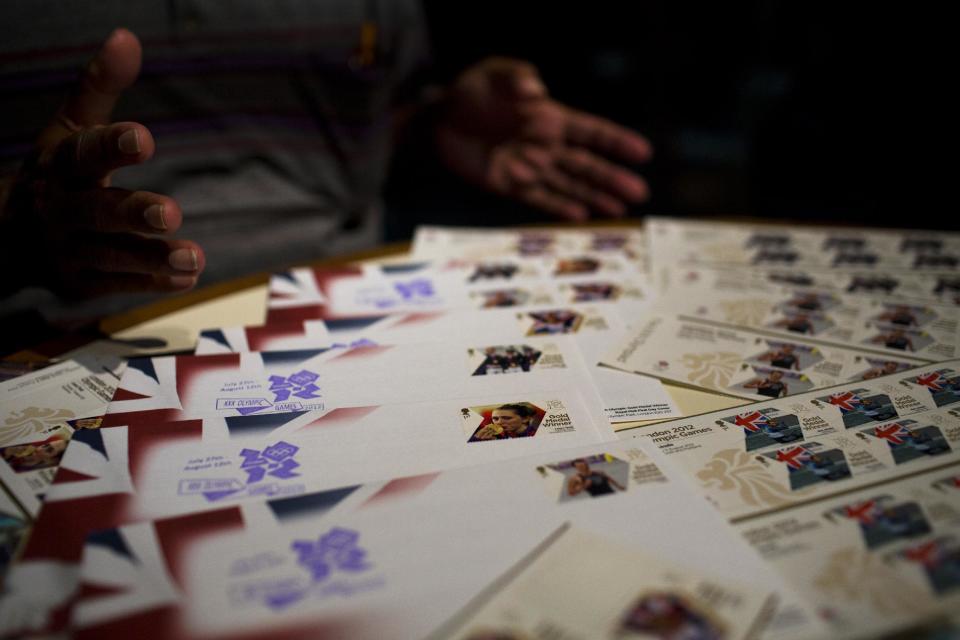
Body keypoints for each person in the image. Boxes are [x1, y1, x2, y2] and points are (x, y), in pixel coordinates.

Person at [0, 8, 652, 310]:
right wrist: (15, 229)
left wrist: (429, 126)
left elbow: (367, 119)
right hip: (56, 342)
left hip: (360, 314)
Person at [470, 403, 540, 440]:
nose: (499, 422)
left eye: (507, 418)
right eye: (495, 419)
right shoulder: (498, 434)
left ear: (525, 419)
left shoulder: (536, 435)